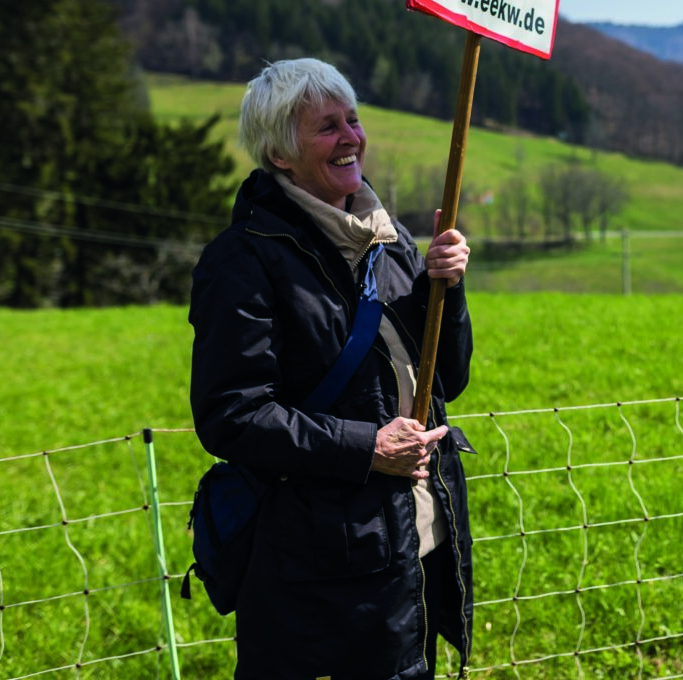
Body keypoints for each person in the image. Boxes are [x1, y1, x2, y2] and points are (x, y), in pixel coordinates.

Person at [190, 58, 475, 679]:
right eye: (327, 127)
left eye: (353, 119)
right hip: (311, 567)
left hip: (413, 538)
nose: (351, 137)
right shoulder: (242, 261)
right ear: (280, 154)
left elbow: (446, 380)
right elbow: (231, 416)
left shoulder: (390, 237)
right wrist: (366, 447)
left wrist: (443, 290)